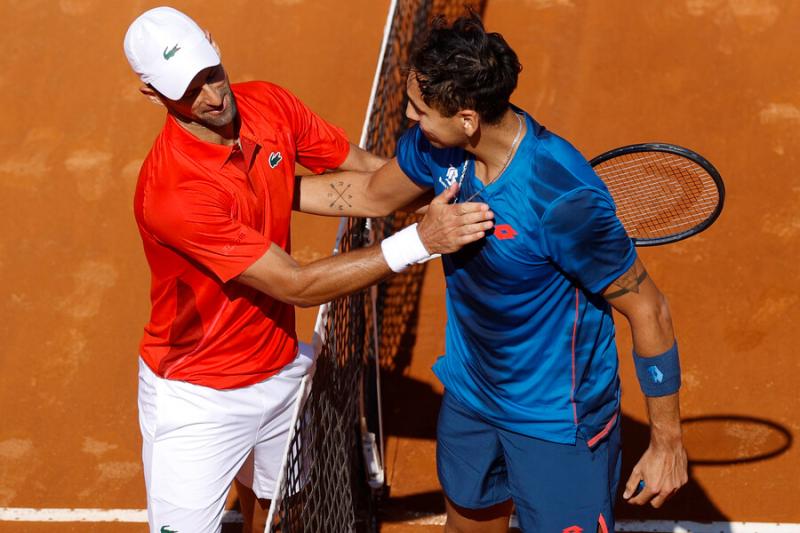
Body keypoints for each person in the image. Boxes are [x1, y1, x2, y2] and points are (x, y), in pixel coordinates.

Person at [298, 13, 689, 533]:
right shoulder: (438, 149)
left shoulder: (559, 198)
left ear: (466, 118)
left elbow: (649, 308)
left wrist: (667, 441)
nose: (410, 118)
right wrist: (266, 194)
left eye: (419, 111)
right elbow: (370, 195)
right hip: (471, 394)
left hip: (556, 420)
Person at [122, 6, 494, 533]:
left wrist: (450, 181)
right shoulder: (173, 193)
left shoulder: (268, 105)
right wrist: (422, 239)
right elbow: (295, 285)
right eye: (188, 89)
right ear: (151, 92)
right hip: (197, 397)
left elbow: (368, 176)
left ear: (213, 44)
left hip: (279, 370)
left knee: (282, 517)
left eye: (210, 72)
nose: (211, 94)